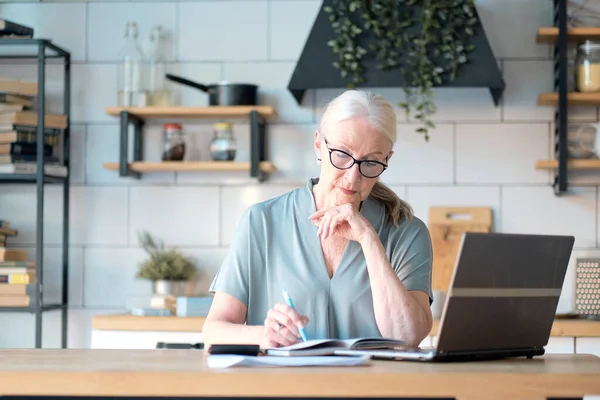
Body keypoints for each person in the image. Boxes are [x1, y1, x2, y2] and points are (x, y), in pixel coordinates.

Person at [203, 89, 434, 350]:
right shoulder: (262, 221)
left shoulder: (407, 232)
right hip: (284, 389)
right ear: (318, 145)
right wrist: (263, 335)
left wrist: (369, 240)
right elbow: (214, 329)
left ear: (386, 160)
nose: (352, 177)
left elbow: (407, 337)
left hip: (373, 390)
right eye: (342, 155)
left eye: (370, 163)